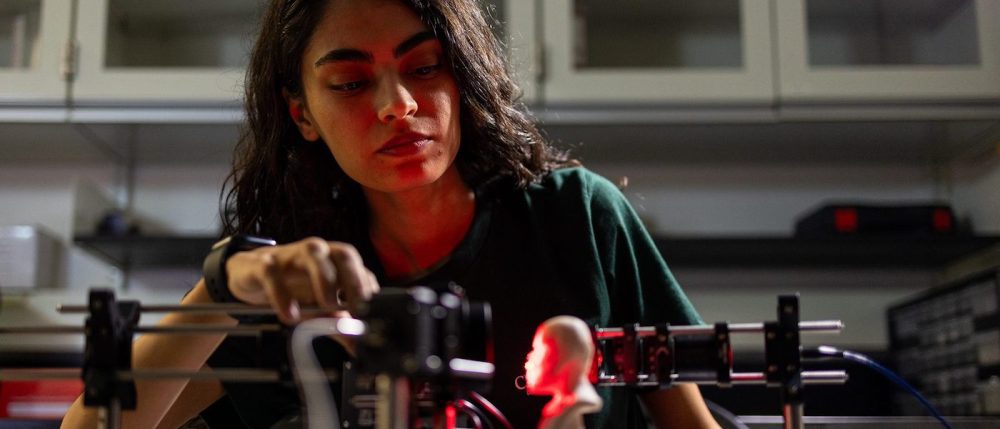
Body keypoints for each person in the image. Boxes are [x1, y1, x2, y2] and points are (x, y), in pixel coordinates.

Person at [62, 0, 719, 428]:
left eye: (424, 67)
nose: (397, 104)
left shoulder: (578, 217)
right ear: (303, 115)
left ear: (461, 80)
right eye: (350, 83)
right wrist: (229, 278)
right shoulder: (294, 279)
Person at [525, 316, 603, 429]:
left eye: (538, 350)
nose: (529, 363)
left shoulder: (571, 406)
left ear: (566, 355)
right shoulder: (560, 406)